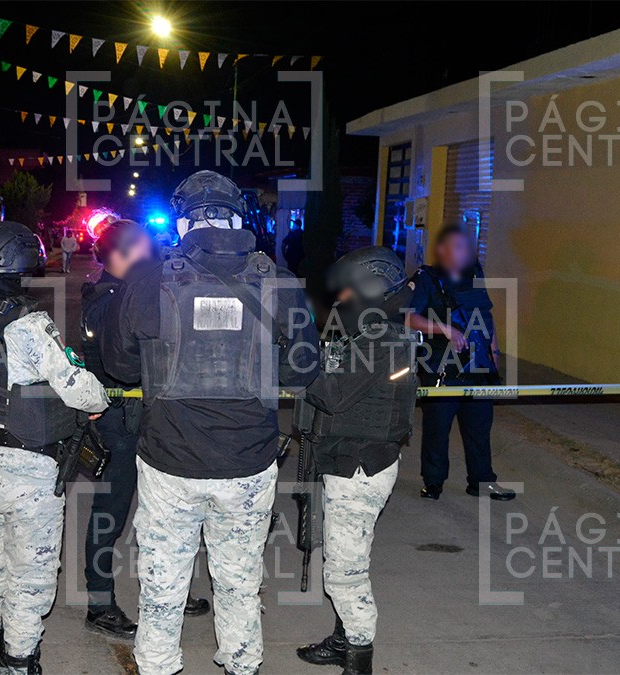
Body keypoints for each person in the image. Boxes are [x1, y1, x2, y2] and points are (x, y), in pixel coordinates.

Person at [102, 170, 320, 675]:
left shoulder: (148, 279)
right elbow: (304, 369)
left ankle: (158, 667)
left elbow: (119, 366)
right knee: (240, 584)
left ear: (182, 223)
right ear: (239, 217)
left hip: (169, 464)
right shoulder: (280, 281)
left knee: (162, 587)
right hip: (248, 464)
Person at [0, 221, 110, 674]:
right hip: (28, 470)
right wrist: (100, 398)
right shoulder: (28, 322)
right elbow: (76, 389)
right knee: (30, 575)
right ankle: (20, 661)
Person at [79, 220, 209, 640]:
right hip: (120, 421)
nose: (146, 256)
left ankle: (170, 592)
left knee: (165, 514)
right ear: (114, 257)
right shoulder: (106, 300)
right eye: (136, 250)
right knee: (110, 516)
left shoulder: (135, 290)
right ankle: (99, 604)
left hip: (150, 418)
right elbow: (119, 362)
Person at [293, 247, 420, 675]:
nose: (342, 296)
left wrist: (296, 358)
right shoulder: (375, 332)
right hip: (351, 461)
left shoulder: (382, 340)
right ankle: (343, 640)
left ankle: (359, 662)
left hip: (360, 467)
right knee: (346, 557)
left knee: (345, 574)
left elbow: (330, 393)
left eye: (351, 288)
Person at [407, 224, 514, 501]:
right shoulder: (426, 278)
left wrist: (495, 352)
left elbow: (486, 315)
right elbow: (408, 318)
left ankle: (482, 481)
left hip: (478, 367)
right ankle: (433, 482)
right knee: (437, 429)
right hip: (442, 367)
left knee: (479, 428)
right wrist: (445, 329)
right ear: (442, 250)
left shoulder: (475, 275)